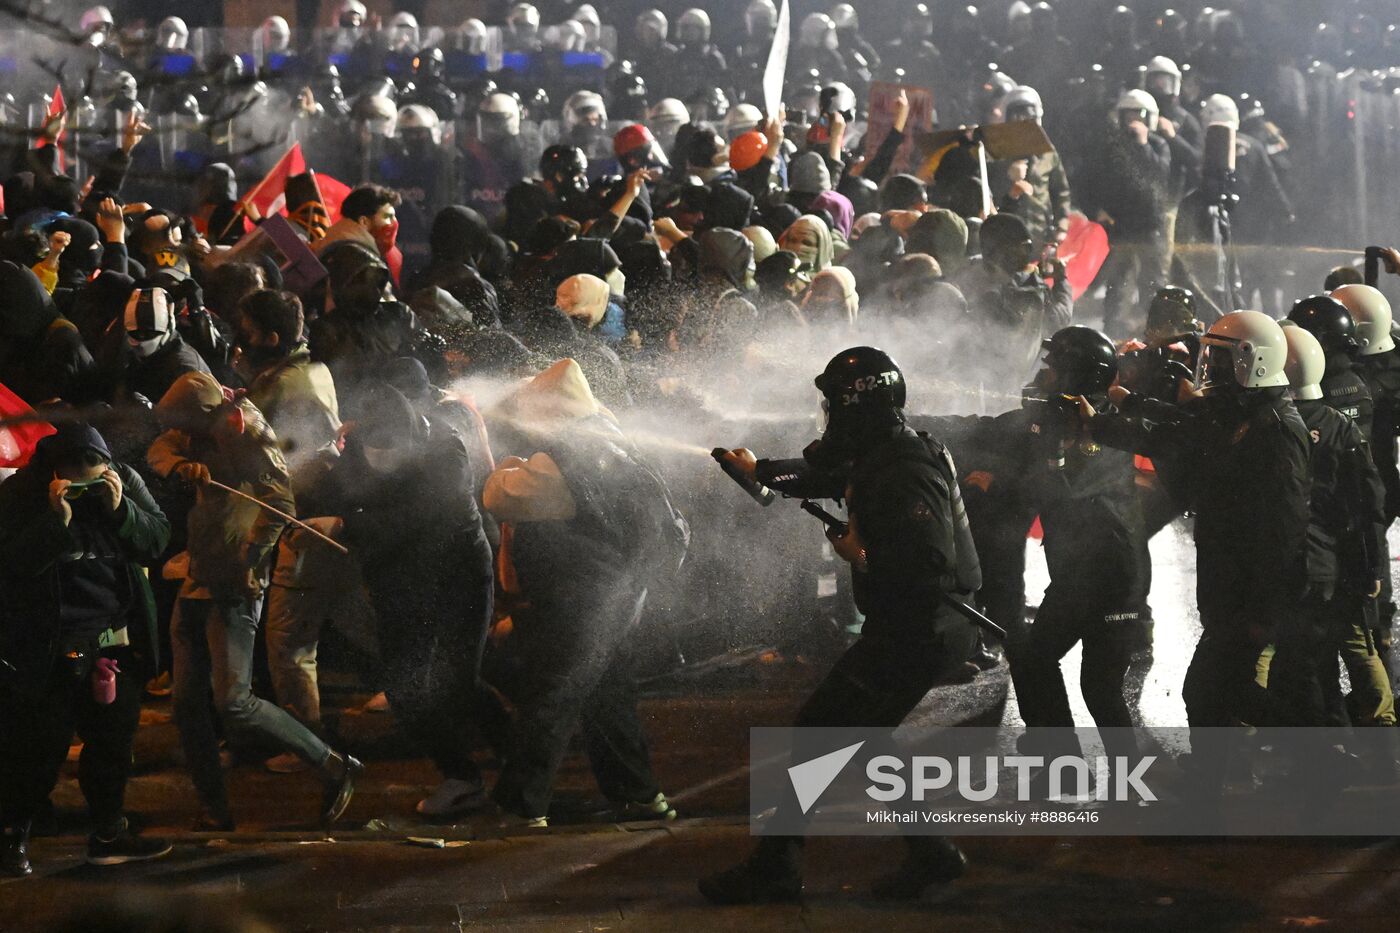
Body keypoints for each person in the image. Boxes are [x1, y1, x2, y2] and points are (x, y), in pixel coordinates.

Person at [701, 347, 979, 903]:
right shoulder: (881, 448)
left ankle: (777, 866)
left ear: (854, 405)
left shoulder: (904, 468)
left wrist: (862, 554)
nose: (825, 413)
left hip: (919, 630)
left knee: (819, 731)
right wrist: (761, 472)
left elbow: (930, 564)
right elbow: (821, 474)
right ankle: (932, 855)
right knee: (868, 738)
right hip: (910, 626)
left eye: (832, 402)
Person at [1084, 311, 1310, 799]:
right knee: (1223, 690)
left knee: (1206, 690)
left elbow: (1283, 529)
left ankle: (1314, 756)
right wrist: (1114, 411)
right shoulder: (1242, 412)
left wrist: (1265, 606)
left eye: (1224, 358)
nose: (1213, 367)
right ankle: (1300, 758)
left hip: (1248, 589)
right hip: (1227, 579)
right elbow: (1182, 431)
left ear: (1253, 361)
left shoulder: (1272, 428)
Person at [147, 371, 362, 830]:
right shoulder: (194, 429)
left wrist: (251, 554)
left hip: (234, 584)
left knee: (234, 701)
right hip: (198, 573)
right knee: (187, 703)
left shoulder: (247, 433)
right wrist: (179, 466)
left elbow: (281, 500)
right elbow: (158, 448)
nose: (183, 435)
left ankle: (330, 763)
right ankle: (213, 807)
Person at [484, 359, 688, 828]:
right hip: (615, 593)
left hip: (582, 599)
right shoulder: (612, 443)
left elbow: (498, 494)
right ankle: (638, 794)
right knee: (606, 695)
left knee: (551, 696)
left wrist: (509, 465)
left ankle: (521, 805)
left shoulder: (561, 460)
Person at [0, 425, 173, 876]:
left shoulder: (125, 482)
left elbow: (157, 540)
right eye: (76, 483)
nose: (86, 492)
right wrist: (54, 521)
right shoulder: (24, 493)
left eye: (93, 481)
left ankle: (108, 835)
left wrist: (121, 511)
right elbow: (12, 563)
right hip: (48, 646)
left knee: (112, 747)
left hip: (113, 643)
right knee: (36, 750)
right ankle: (12, 837)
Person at [1002, 327, 1146, 774]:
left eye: (1055, 366)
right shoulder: (1062, 418)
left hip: (1102, 574)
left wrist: (1047, 457)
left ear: (1079, 374)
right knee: (1099, 687)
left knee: (1040, 660)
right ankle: (1096, 772)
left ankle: (1063, 763)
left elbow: (1061, 491)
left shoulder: (1103, 429)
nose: (1045, 372)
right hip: (1090, 572)